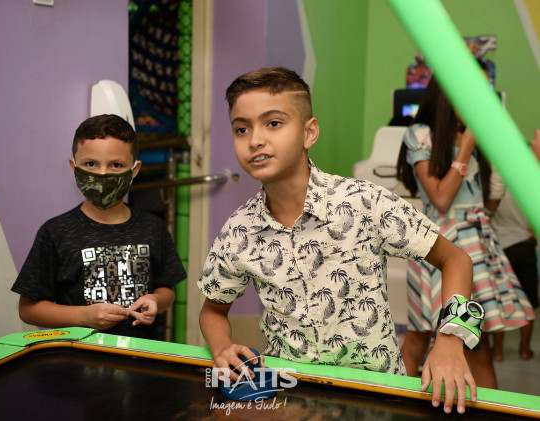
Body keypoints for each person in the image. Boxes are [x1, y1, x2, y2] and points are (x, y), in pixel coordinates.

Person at [199, 67, 484, 414]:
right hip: (291, 401)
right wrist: (222, 347)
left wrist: (451, 340)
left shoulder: (363, 202)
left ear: (309, 132)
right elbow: (213, 309)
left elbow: (456, 260)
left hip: (375, 400)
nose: (255, 139)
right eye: (241, 129)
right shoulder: (238, 230)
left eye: (273, 123)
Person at [396, 75, 536, 389]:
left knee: (476, 344)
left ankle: (482, 410)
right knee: (419, 337)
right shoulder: (421, 134)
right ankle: (391, 407)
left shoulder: (476, 136)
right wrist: (466, 148)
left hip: (478, 245)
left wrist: (498, 163)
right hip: (438, 246)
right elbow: (441, 199)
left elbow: (489, 204)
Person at [12, 114, 186, 340]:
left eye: (116, 165)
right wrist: (84, 316)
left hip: (141, 353)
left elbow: (167, 290)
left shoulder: (153, 227)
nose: (103, 174)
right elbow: (28, 309)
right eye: (91, 164)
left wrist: (155, 300)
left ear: (134, 170)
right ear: (74, 167)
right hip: (78, 355)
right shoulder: (55, 232)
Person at [489, 129, 540, 361]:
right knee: (528, 301)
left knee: (501, 301)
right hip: (525, 246)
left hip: (500, 246)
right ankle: (524, 350)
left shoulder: (498, 181)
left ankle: (498, 352)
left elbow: (489, 210)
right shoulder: (531, 181)